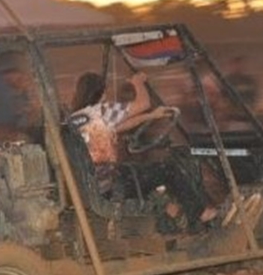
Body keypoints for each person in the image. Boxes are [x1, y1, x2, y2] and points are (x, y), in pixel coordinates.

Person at [68, 71, 217, 227]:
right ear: (101, 92)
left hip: (95, 184)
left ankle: (173, 214)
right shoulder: (101, 111)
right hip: (112, 185)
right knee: (169, 170)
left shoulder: (77, 119)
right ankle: (199, 213)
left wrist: (150, 117)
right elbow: (143, 103)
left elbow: (117, 127)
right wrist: (138, 82)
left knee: (142, 172)